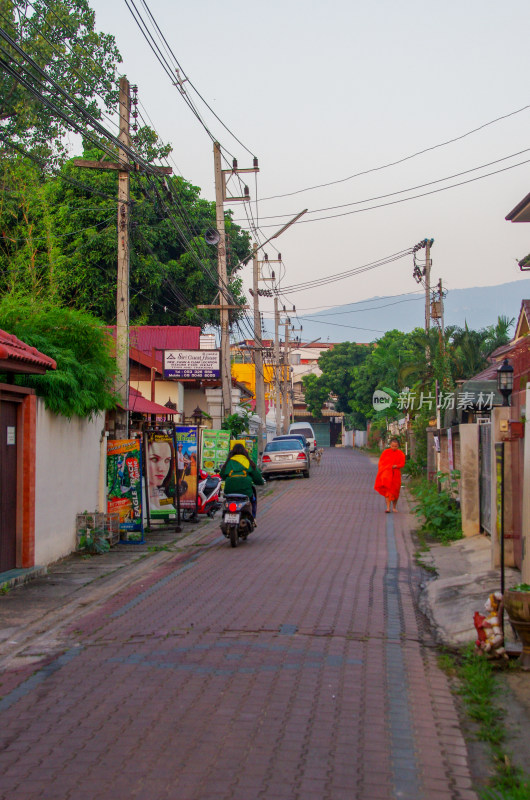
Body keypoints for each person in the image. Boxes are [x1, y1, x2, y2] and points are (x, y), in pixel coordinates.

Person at [220, 442, 265, 520]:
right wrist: (260, 482)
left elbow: (222, 475)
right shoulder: (248, 462)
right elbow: (257, 477)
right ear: (244, 452)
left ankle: (224, 516)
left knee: (226, 503)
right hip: (245, 491)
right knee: (253, 501)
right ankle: (253, 518)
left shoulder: (228, 462)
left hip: (229, 491)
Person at [374, 437, 406, 513]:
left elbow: (402, 464)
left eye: (396, 446)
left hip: (396, 475)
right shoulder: (385, 452)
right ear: (390, 445)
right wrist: (388, 467)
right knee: (388, 492)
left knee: (396, 491)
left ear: (398, 446)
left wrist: (396, 466)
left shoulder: (400, 453)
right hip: (387, 475)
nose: (394, 448)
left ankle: (394, 507)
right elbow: (381, 463)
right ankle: (388, 507)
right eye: (392, 446)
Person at [147, 439, 175, 510]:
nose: (162, 468)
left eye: (167, 460)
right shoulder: (140, 493)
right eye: (155, 459)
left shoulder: (161, 494)